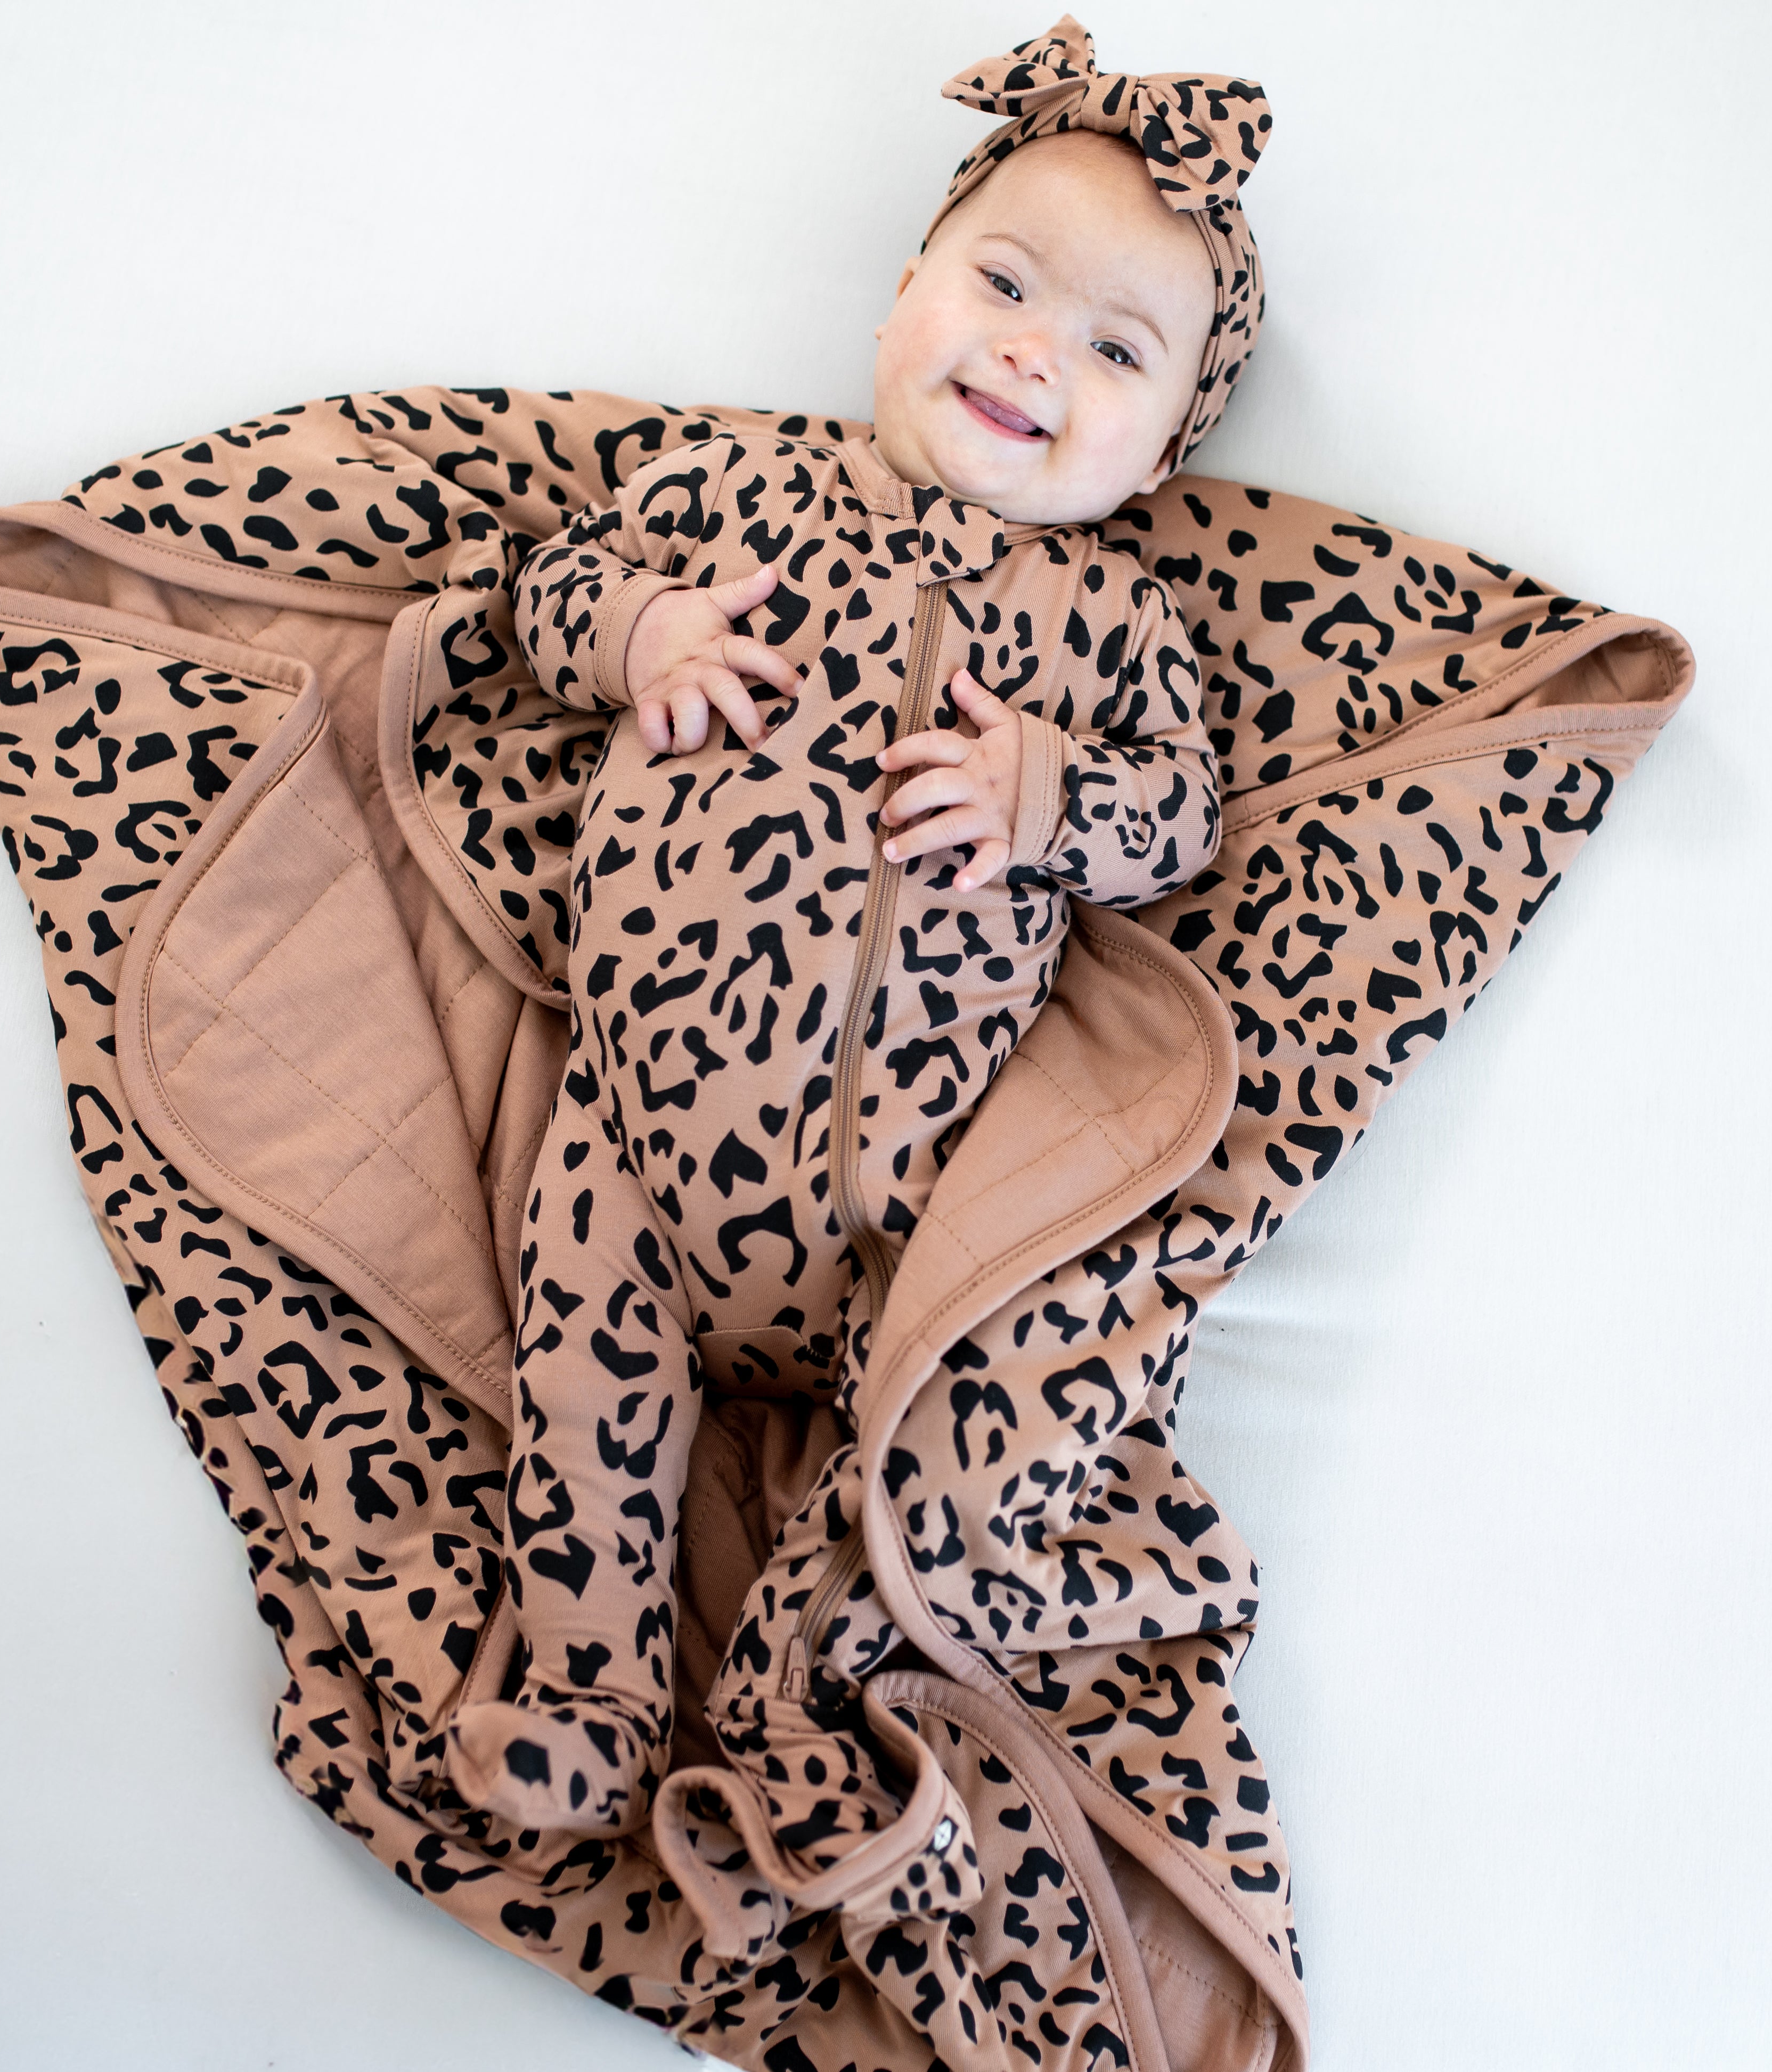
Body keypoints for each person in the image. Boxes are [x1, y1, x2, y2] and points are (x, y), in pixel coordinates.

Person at [446, 13, 1269, 1838]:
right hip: (641, 1139)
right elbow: (550, 584)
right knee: (576, 1373)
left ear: (1163, 446)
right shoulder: (743, 489)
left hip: (922, 1201)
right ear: (904, 285)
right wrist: (644, 636)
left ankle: (792, 1724)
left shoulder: (1116, 622)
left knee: (928, 1449)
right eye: (1000, 280)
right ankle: (585, 1683)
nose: (1033, 351)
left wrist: (1048, 795)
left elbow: (1183, 813)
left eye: (1116, 351)